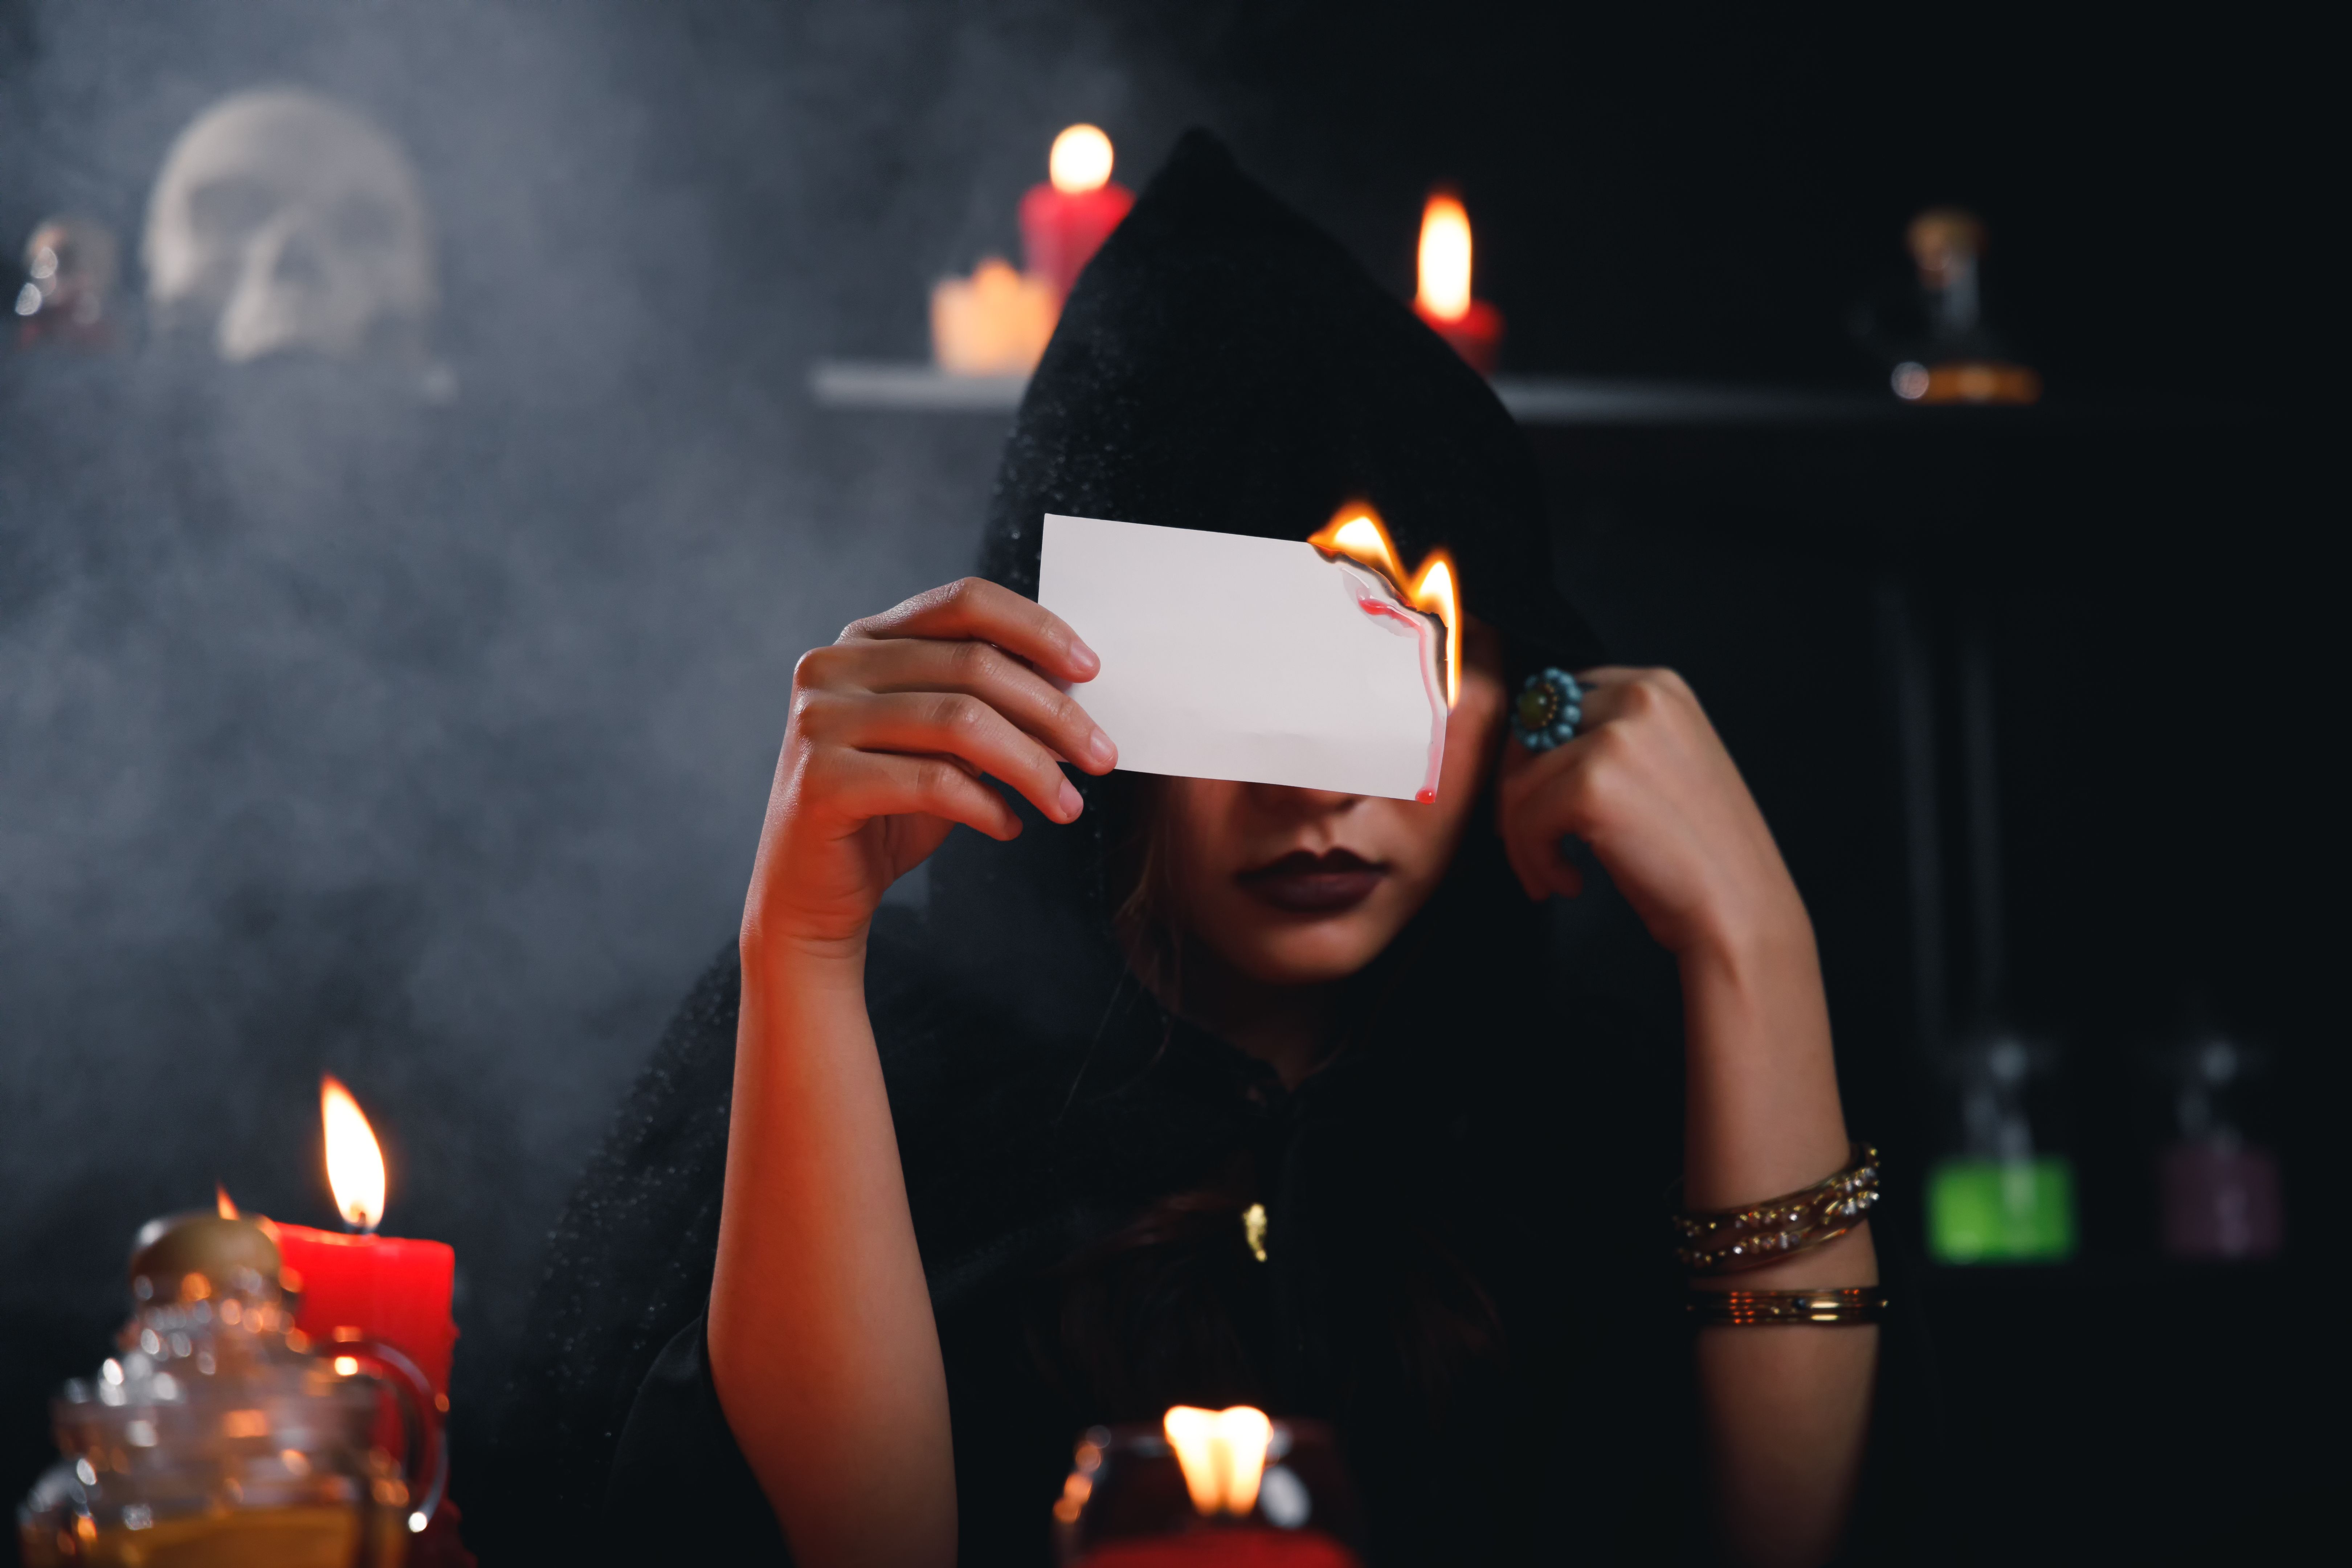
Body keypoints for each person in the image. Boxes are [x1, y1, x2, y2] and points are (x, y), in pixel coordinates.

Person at [487, 133, 1932, 1567]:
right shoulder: (884, 1068)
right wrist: (802, 952)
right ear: (1059, 677)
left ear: (1519, 685)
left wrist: (1757, 943)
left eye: (1390, 670)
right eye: (1239, 682)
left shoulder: (1593, 1101)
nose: (1313, 797)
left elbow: (1781, 1547)